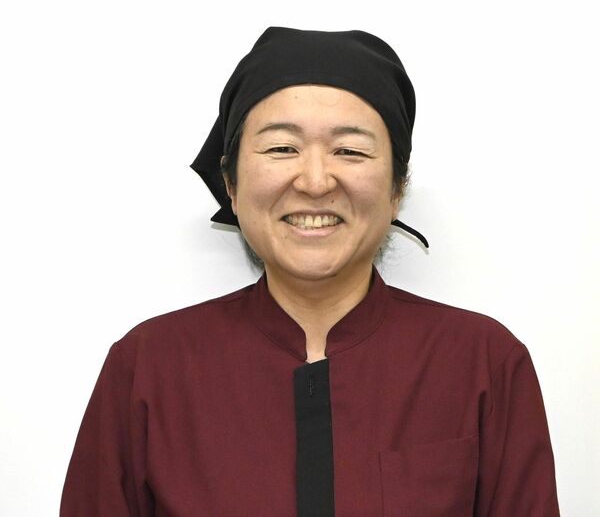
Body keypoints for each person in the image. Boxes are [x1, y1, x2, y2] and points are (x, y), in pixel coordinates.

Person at [59, 26, 561, 516]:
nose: (316, 181)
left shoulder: (484, 363)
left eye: (350, 150)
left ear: (396, 189)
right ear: (231, 183)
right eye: (282, 148)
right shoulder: (147, 368)